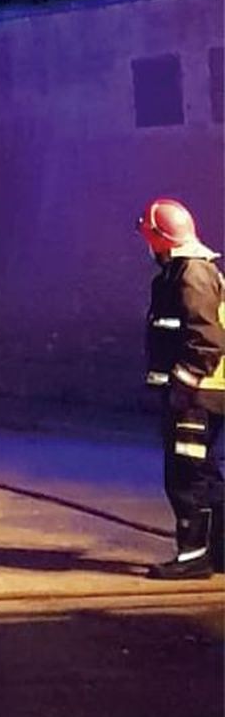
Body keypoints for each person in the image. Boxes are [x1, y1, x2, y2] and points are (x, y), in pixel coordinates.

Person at [139, 198, 225, 579]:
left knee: (188, 473)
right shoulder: (182, 272)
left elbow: (206, 339)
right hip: (200, 392)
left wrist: (183, 384)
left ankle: (194, 557)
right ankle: (217, 552)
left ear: (159, 237)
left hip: (197, 395)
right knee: (202, 471)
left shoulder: (191, 274)